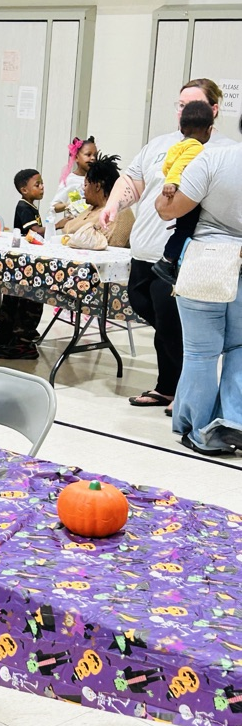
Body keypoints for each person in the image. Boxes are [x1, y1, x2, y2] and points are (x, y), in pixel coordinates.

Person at [100, 78, 235, 414]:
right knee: (147, 308)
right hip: (144, 251)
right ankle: (175, 386)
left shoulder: (222, 151)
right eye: (180, 105)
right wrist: (114, 205)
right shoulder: (161, 144)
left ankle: (176, 390)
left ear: (213, 109)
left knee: (171, 321)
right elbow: (133, 180)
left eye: (192, 105)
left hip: (181, 257)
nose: (183, 111)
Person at [155, 128, 242, 456]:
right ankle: (234, 422)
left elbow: (169, 209)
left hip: (207, 259)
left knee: (200, 353)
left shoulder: (214, 159)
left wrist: (164, 194)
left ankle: (196, 429)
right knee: (240, 349)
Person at [0, 169, 45, 360]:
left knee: (17, 293)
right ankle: (9, 332)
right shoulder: (24, 207)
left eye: (42, 183)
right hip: (23, 259)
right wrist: (58, 224)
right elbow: (34, 231)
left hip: (27, 259)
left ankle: (17, 336)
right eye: (37, 184)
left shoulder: (30, 206)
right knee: (15, 293)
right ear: (24, 190)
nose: (42, 187)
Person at [152, 100, 214, 285]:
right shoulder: (197, 148)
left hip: (179, 193)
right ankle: (167, 261)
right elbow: (178, 166)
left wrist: (170, 178)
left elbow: (167, 167)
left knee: (181, 230)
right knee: (186, 231)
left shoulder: (177, 146)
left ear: (181, 128)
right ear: (209, 130)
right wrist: (172, 182)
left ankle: (169, 260)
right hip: (188, 196)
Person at [61, 153, 133, 249]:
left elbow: (102, 245)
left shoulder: (118, 212)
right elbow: (69, 229)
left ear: (97, 186)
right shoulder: (93, 207)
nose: (83, 189)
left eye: (85, 185)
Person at [49, 136, 97, 221]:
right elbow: (54, 206)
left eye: (95, 155)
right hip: (74, 225)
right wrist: (70, 205)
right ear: (76, 157)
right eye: (88, 155)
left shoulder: (98, 179)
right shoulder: (70, 180)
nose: (93, 158)